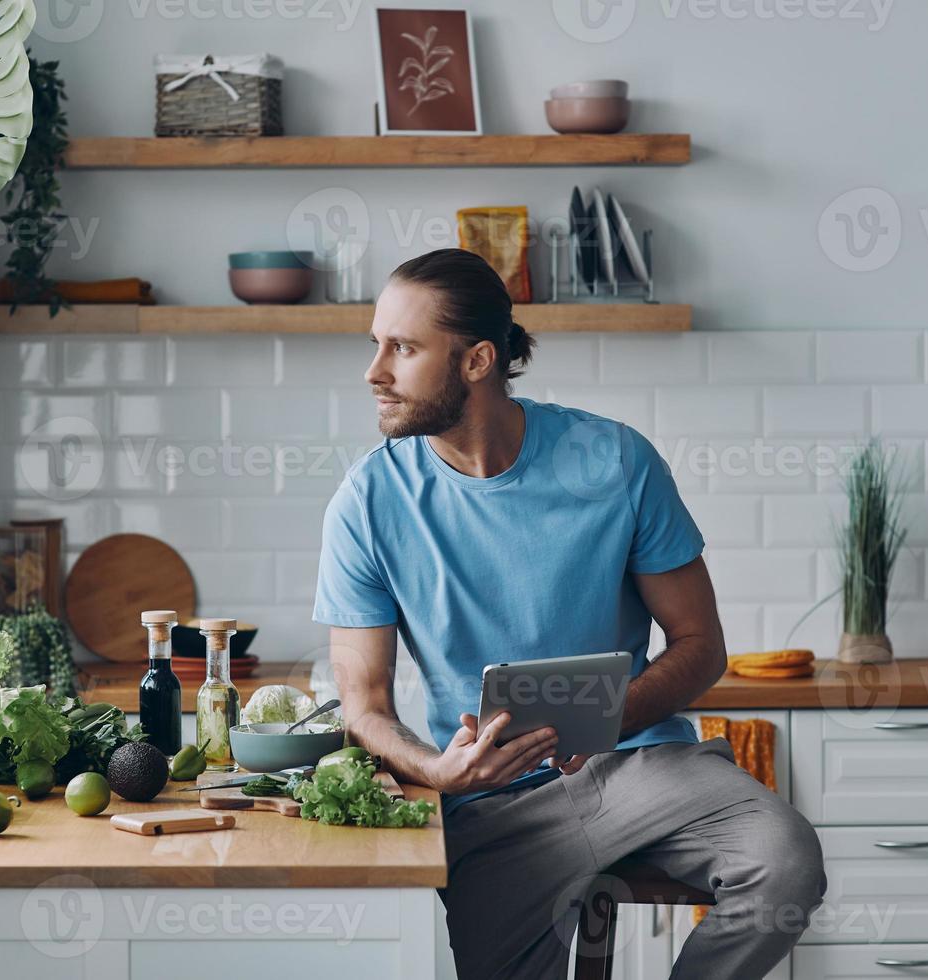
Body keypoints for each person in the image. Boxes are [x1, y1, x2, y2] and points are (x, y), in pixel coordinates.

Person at [312, 248, 826, 979]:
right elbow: (361, 705)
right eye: (376, 345)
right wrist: (440, 771)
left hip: (640, 764)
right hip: (490, 807)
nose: (374, 372)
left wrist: (603, 720)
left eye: (402, 347)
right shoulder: (367, 501)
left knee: (783, 861)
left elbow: (699, 646)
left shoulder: (615, 461)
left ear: (476, 359)